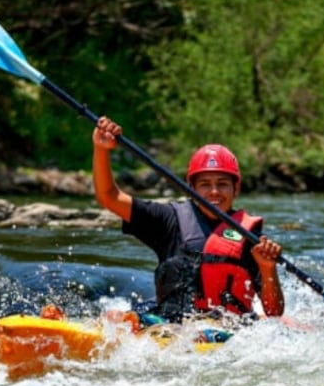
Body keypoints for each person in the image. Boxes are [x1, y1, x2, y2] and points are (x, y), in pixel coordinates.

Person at [92, 116, 285, 322]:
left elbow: (274, 311)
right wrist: (101, 149)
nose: (214, 192)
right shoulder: (168, 220)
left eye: (222, 184)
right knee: (115, 317)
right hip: (172, 327)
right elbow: (109, 197)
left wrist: (267, 268)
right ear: (191, 189)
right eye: (205, 184)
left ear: (235, 189)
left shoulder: (250, 237)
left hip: (228, 332)